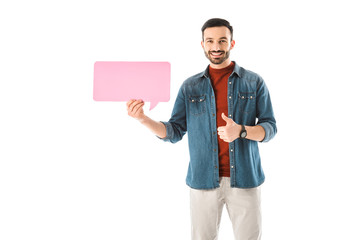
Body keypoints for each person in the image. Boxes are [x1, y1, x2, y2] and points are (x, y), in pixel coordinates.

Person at [126, 18, 276, 240]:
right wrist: (143, 119)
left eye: (222, 41)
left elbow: (269, 127)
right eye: (210, 41)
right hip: (203, 180)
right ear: (203, 44)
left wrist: (241, 131)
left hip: (245, 180)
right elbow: (175, 131)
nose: (216, 47)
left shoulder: (254, 82)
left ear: (232, 44)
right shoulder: (190, 86)